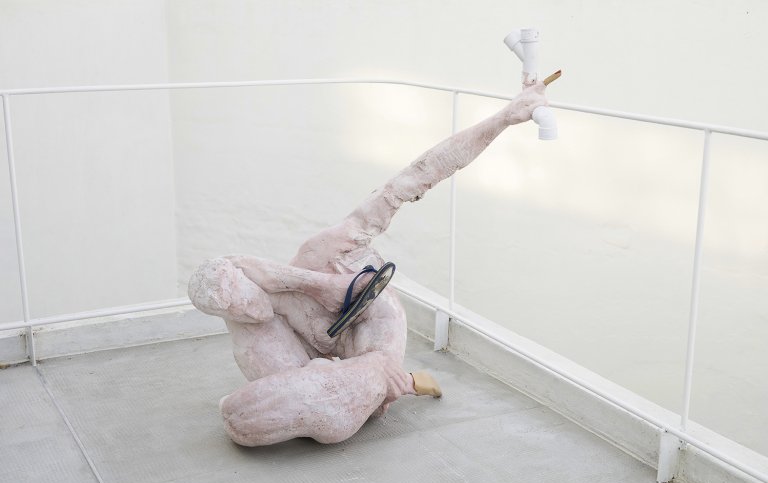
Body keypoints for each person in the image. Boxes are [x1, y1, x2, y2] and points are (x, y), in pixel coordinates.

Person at [188, 82, 549, 446]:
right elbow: (233, 278)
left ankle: (365, 388)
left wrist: (504, 118)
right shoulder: (269, 288)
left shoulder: (344, 259)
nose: (248, 308)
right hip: (309, 356)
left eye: (243, 301)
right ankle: (333, 389)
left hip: (366, 352)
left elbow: (424, 171)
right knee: (246, 410)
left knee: (324, 408)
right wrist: (319, 288)